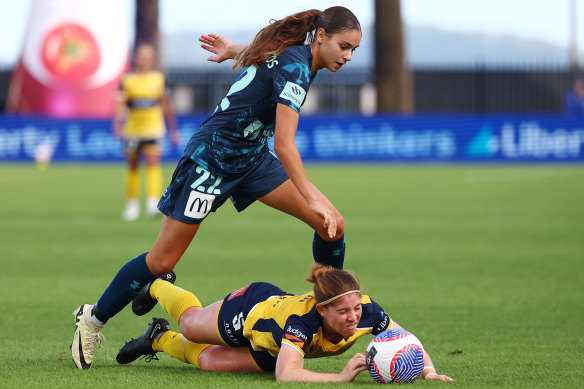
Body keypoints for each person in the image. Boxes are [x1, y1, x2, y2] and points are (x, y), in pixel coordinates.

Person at [71, 6, 360, 370]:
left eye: (354, 50)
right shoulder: (299, 64)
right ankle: (92, 320)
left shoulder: (297, 54)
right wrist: (311, 197)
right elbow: (285, 145)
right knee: (162, 260)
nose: (348, 56)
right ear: (321, 36)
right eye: (344, 46)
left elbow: (268, 57)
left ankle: (323, 313)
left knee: (332, 225)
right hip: (212, 159)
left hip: (251, 158)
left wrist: (233, 51)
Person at [116, 264, 454, 383]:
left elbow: (404, 337)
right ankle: (158, 283)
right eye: (343, 312)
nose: (353, 316)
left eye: (355, 307)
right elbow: (286, 374)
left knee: (207, 361)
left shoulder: (366, 311)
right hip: (253, 312)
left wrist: (427, 371)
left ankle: (158, 337)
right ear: (322, 311)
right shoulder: (301, 322)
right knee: (190, 325)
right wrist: (339, 377)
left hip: (274, 348)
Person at [113, 43, 179, 221]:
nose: (145, 59)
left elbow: (167, 105)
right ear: (137, 57)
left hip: (153, 129)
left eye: (148, 56)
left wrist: (173, 130)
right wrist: (117, 124)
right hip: (133, 130)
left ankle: (152, 203)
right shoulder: (127, 80)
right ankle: (132, 204)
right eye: (142, 55)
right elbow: (119, 104)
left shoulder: (159, 79)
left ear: (152, 59)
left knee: (153, 163)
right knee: (133, 165)